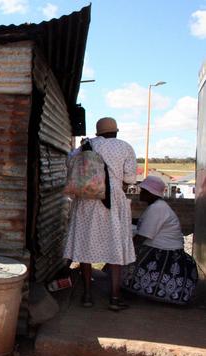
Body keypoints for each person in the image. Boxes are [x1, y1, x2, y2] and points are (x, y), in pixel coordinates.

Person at [64, 117, 137, 311]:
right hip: (113, 200)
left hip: (88, 198)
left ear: (98, 132)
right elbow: (130, 178)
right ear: (115, 132)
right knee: (115, 246)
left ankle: (87, 295)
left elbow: (70, 163)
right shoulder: (124, 147)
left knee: (85, 245)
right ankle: (114, 297)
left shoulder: (86, 146)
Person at [122, 176, 198, 304]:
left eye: (144, 191)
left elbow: (142, 237)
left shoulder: (157, 208)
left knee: (124, 261)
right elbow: (141, 222)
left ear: (151, 193)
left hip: (165, 254)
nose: (141, 193)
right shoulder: (157, 206)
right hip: (164, 250)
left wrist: (126, 252)